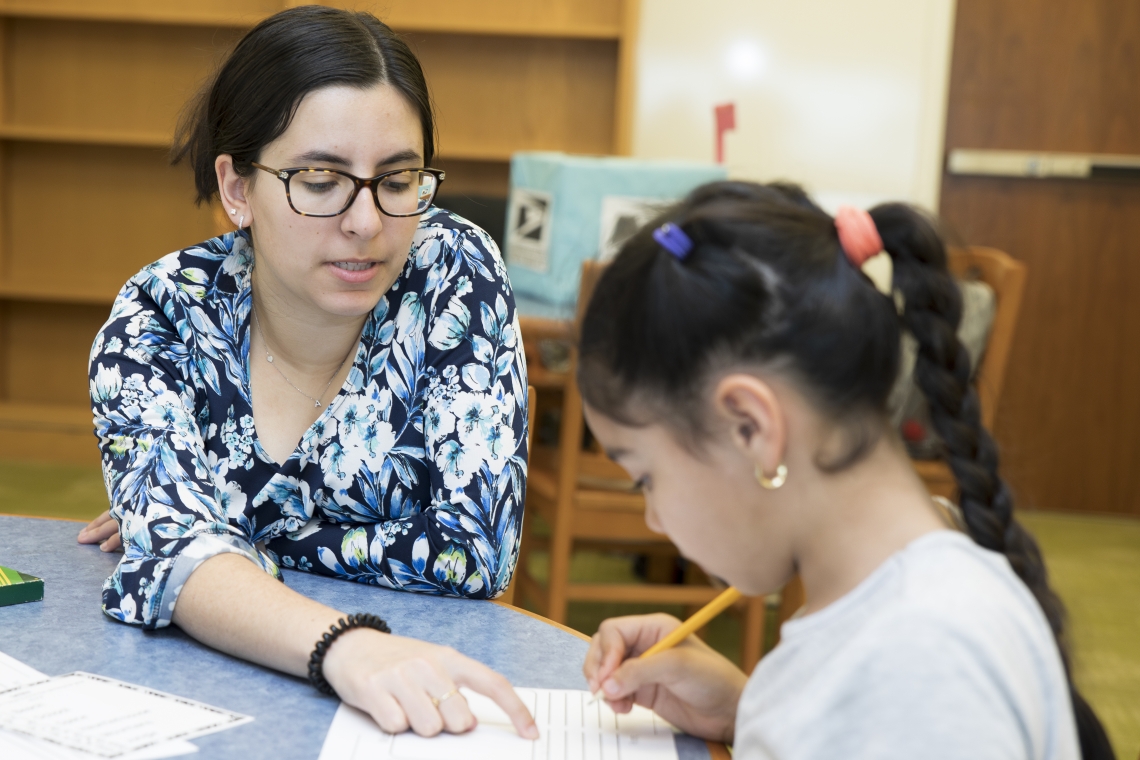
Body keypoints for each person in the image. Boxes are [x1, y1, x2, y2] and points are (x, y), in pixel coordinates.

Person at [76, 5, 536, 739]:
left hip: (416, 713)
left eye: (398, 179)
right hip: (211, 696)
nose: (365, 222)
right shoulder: (162, 315)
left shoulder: (451, 272)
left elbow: (472, 550)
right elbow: (176, 561)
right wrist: (335, 643)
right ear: (236, 189)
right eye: (320, 180)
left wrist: (225, 534)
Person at [577, 181, 1115, 758]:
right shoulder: (896, 611)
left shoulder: (922, 662)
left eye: (646, 479)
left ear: (751, 428)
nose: (654, 521)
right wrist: (748, 709)